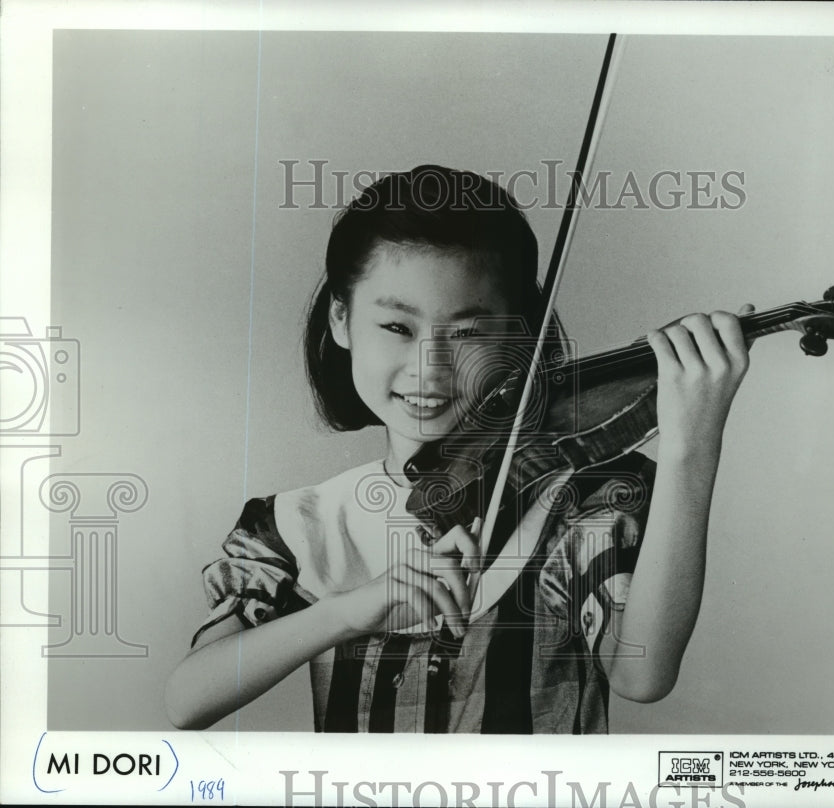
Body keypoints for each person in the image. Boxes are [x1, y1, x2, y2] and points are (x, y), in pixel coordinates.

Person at [164, 165, 752, 733]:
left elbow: (641, 672)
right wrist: (349, 611)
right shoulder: (299, 523)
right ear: (341, 321)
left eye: (469, 334)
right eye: (397, 328)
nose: (431, 369)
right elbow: (188, 700)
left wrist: (690, 446)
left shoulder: (577, 501)